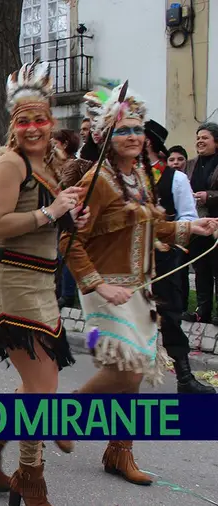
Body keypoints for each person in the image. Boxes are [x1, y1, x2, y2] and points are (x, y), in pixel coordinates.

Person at [61, 86, 218, 487]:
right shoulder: (97, 181)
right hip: (105, 286)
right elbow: (70, 241)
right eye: (122, 130)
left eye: (137, 129)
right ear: (106, 137)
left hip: (139, 285)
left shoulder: (142, 178)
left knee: (132, 373)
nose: (133, 136)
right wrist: (98, 284)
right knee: (129, 369)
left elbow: (152, 225)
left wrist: (190, 226)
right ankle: (68, 414)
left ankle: (120, 451)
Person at [0, 62, 85, 505]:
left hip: (41, 284)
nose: (32, 128)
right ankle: (30, 480)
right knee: (41, 390)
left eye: (39, 120)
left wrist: (71, 215)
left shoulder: (52, 164)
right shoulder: (11, 163)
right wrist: (50, 213)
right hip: (11, 283)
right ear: (13, 125)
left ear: (51, 121)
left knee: (41, 385)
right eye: (23, 121)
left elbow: (51, 222)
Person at [143, 121, 215, 394]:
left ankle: (184, 378)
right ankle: (121, 374)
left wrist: (173, 244)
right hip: (127, 261)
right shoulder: (122, 176)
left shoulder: (175, 178)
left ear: (147, 142)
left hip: (163, 260)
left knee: (169, 315)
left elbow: (188, 217)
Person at [183, 122, 218, 324]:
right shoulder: (191, 164)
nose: (200, 141)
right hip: (198, 224)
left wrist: (209, 196)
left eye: (205, 138)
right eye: (198, 138)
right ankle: (202, 310)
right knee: (201, 268)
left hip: (216, 223)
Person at [53, 128, 85, 308]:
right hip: (59, 213)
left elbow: (60, 187)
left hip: (68, 214)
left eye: (55, 144)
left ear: (65, 145)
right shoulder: (58, 164)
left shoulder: (71, 164)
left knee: (64, 254)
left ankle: (67, 294)